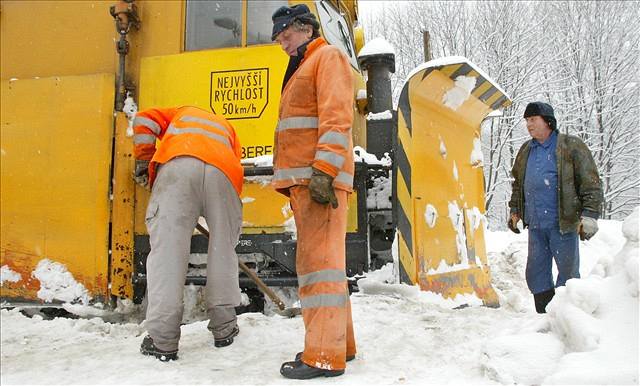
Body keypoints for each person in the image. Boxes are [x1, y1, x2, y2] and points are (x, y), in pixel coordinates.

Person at [270, 4, 357, 379]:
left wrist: (323, 171)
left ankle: (323, 356)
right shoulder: (307, 63)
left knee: (318, 268)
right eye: (278, 40)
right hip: (307, 183)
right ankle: (341, 345)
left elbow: (337, 118)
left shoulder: (327, 57)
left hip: (317, 182)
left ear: (305, 28)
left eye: (286, 35)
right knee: (327, 267)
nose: (282, 44)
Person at [132, 106, 244, 361]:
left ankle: (163, 341)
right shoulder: (227, 127)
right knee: (223, 250)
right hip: (223, 171)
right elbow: (233, 160)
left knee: (168, 253)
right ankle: (224, 329)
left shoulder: (181, 113)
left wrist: (144, 158)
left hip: (178, 166)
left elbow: (144, 119)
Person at [508, 101, 603, 313]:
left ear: (547, 121)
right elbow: (518, 184)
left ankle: (568, 316)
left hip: (563, 223)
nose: (529, 125)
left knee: (568, 274)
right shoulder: (526, 150)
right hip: (536, 225)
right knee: (535, 273)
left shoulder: (570, 146)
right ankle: (544, 316)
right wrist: (515, 210)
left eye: (533, 120)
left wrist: (589, 215)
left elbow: (591, 182)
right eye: (527, 121)